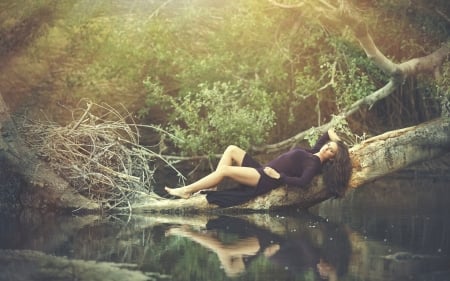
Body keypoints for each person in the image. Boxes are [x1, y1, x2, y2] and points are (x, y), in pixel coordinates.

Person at [165, 128, 352, 207]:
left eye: (331, 151)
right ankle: (213, 184)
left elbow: (303, 183)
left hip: (264, 178)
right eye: (328, 145)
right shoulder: (314, 152)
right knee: (231, 149)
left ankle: (186, 190)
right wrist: (340, 146)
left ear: (331, 159)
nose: (327, 147)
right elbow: (328, 132)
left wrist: (279, 177)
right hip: (261, 169)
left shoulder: (314, 164)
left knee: (224, 171)